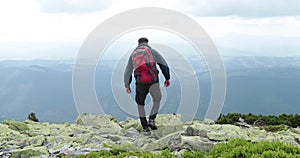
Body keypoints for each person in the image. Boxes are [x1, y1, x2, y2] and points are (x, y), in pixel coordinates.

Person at [124, 37, 170, 135]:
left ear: (138, 43)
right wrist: (167, 78)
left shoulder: (133, 54)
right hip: (153, 81)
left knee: (140, 104)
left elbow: (128, 71)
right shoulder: (151, 51)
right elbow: (164, 64)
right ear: (147, 43)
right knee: (157, 100)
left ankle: (145, 128)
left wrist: (127, 85)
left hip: (140, 82)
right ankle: (152, 120)